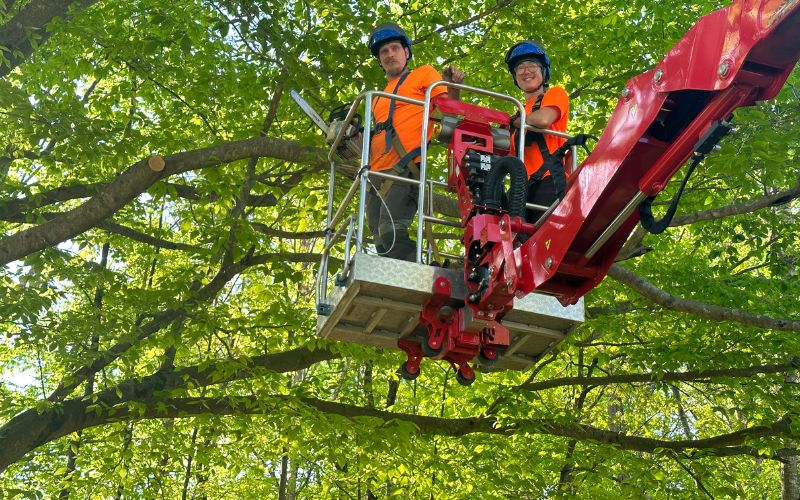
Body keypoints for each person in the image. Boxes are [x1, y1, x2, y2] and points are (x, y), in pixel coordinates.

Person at [365, 22, 464, 262]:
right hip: (376, 173)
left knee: (391, 232)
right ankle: (400, 276)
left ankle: (419, 271)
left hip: (404, 167)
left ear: (406, 52)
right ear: (379, 60)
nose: (389, 54)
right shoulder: (378, 97)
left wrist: (454, 88)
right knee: (379, 238)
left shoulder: (423, 74)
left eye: (394, 48)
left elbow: (450, 113)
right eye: (384, 52)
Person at [506, 41, 570, 221]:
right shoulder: (516, 115)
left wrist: (515, 122)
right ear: (515, 76)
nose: (526, 71)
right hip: (521, 190)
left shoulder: (554, 94)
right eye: (520, 68)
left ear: (544, 71)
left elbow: (543, 119)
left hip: (550, 182)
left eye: (532, 65)